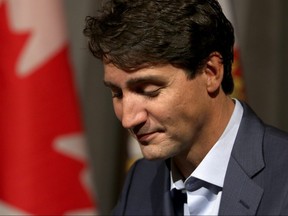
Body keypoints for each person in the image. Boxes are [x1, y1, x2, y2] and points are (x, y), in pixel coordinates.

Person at [83, 0, 288, 215]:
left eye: (149, 90)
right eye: (117, 94)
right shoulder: (141, 178)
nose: (128, 119)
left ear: (211, 72)